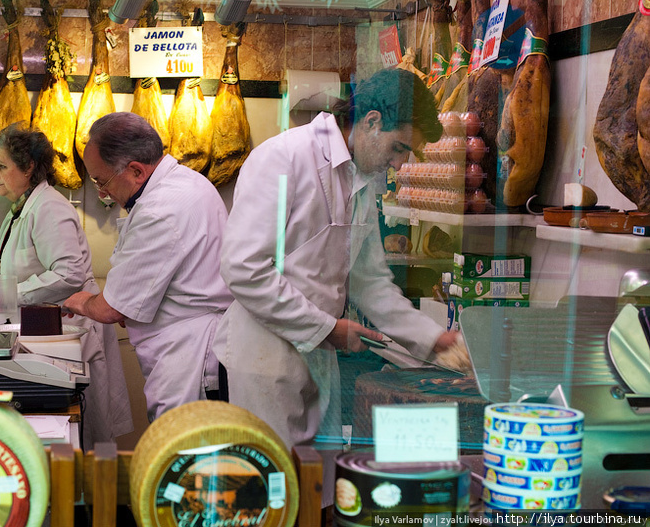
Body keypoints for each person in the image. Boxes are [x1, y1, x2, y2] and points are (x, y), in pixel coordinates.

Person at [213, 68, 458, 452]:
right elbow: (243, 268)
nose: (398, 165)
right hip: (264, 360)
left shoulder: (359, 180)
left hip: (318, 359)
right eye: (399, 148)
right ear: (372, 122)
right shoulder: (284, 158)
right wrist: (326, 328)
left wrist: (434, 339)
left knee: (318, 490)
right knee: (275, 494)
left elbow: (370, 281)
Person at [63, 112, 233, 422]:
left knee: (182, 458)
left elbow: (110, 310)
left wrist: (77, 301)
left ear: (136, 171)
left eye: (102, 181)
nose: (101, 193)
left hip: (188, 360)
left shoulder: (159, 210)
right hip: (191, 348)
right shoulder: (188, 183)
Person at [0, 124, 133, 448]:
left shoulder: (49, 209)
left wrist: (7, 296)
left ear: (27, 168)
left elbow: (69, 273)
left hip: (73, 333)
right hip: (48, 334)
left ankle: (87, 495)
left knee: (82, 436)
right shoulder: (20, 211)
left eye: (2, 167)